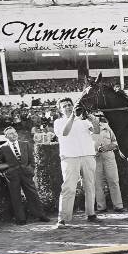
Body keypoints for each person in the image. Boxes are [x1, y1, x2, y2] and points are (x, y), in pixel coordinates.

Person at [53, 97, 98, 227]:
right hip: (69, 157)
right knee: (68, 188)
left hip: (88, 155)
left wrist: (93, 120)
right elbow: (65, 133)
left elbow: (96, 131)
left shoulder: (83, 120)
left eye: (69, 105)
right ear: (60, 110)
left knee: (90, 186)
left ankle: (91, 214)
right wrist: (73, 117)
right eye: (64, 106)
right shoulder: (58, 121)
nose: (68, 107)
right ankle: (63, 218)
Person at [0, 125, 50, 224]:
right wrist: (6, 172)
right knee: (15, 197)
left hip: (26, 173)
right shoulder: (2, 148)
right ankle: (21, 218)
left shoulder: (25, 144)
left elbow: (32, 159)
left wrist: (31, 169)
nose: (14, 134)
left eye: (15, 132)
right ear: (6, 136)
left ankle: (40, 215)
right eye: (11, 133)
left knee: (33, 194)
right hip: (12, 176)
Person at [91, 114, 125, 212]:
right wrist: (95, 151)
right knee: (97, 183)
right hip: (95, 158)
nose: (94, 118)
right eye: (92, 116)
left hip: (109, 156)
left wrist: (109, 146)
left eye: (96, 116)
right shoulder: (87, 129)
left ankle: (118, 206)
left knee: (113, 180)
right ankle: (101, 207)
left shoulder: (107, 127)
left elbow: (116, 141)